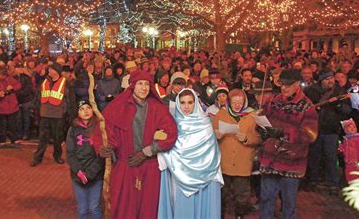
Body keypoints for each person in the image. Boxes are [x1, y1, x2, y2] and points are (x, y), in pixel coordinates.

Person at [93, 70, 178, 219]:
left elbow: (171, 134)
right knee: (124, 209)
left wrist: (147, 151)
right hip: (125, 166)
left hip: (150, 168)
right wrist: (104, 147)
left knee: (148, 209)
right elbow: (103, 131)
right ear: (132, 86)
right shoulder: (118, 106)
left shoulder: (157, 108)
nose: (144, 88)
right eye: (140, 84)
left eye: (147, 84)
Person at [258, 69, 318, 219]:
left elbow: (310, 135)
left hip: (291, 162)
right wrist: (261, 129)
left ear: (297, 84)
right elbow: (263, 119)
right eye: (282, 84)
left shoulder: (307, 106)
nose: (284, 88)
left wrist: (282, 132)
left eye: (288, 85)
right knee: (266, 199)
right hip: (270, 159)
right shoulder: (274, 101)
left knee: (288, 203)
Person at [157, 88, 223, 218]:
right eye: (182, 103)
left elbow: (212, 153)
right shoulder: (172, 125)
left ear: (196, 103)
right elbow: (169, 149)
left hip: (205, 175)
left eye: (190, 102)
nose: (186, 106)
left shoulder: (205, 124)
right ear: (177, 104)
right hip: (180, 176)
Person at [213, 88, 260, 218]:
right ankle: (220, 215)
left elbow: (259, 137)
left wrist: (246, 137)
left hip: (243, 161)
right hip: (224, 161)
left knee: (242, 194)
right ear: (229, 102)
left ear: (245, 102)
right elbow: (211, 133)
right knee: (222, 193)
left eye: (240, 102)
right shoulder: (221, 114)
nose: (237, 105)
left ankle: (239, 216)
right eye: (234, 102)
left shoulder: (252, 116)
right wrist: (215, 134)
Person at [31, 63, 76, 166]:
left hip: (58, 115)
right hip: (45, 114)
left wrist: (70, 115)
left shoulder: (65, 84)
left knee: (57, 138)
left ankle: (57, 156)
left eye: (51, 69)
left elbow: (71, 100)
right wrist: (36, 110)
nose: (49, 71)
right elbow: (38, 97)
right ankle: (37, 158)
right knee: (42, 138)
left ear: (57, 71)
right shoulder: (44, 82)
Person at [66, 100, 104, 219]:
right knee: (82, 209)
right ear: (78, 113)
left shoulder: (100, 128)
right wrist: (79, 172)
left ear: (93, 110)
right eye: (82, 109)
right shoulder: (73, 130)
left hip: (95, 175)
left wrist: (90, 174)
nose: (86, 111)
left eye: (88, 107)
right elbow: (70, 154)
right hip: (78, 176)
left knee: (94, 207)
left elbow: (101, 155)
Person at [0, 66, 21, 146]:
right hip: (0, 106)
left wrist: (12, 87)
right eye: (1, 75)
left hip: (12, 106)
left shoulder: (10, 79)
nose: (2, 77)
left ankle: (13, 139)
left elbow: (19, 85)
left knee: (12, 124)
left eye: (4, 75)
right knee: (1, 125)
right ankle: (2, 140)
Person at [338, 118, 359, 183]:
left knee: (357, 179)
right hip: (348, 163)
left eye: (354, 127)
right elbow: (344, 150)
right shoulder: (346, 140)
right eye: (349, 127)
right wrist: (341, 149)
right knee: (349, 178)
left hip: (356, 164)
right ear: (345, 130)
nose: (352, 128)